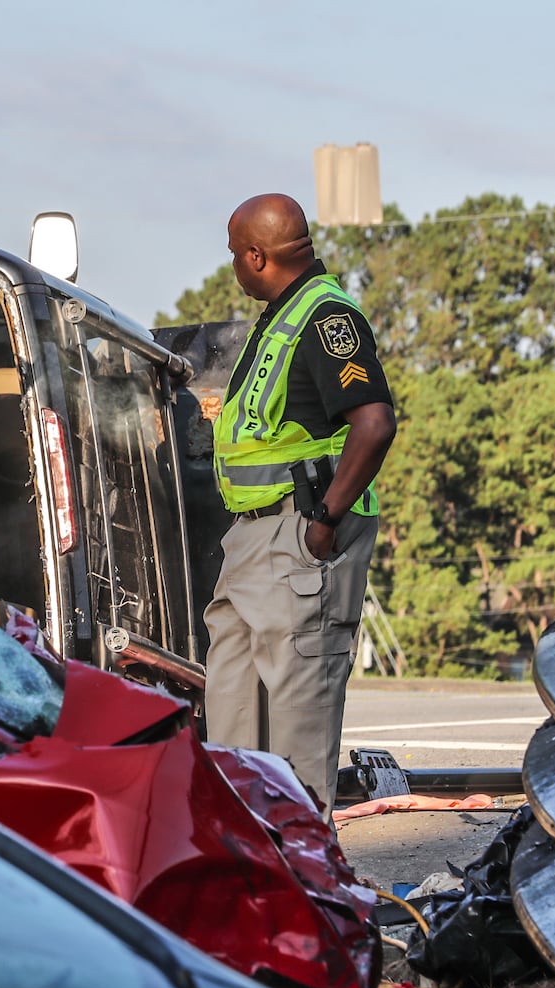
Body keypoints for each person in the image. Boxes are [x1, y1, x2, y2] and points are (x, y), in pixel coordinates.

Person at [203, 193, 398, 819]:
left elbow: (374, 423)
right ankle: (247, 882)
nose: (234, 267)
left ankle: (309, 894)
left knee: (297, 738)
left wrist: (323, 522)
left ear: (257, 256)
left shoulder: (325, 318)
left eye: (236, 255)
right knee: (233, 729)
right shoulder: (279, 318)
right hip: (253, 541)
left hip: (298, 536)